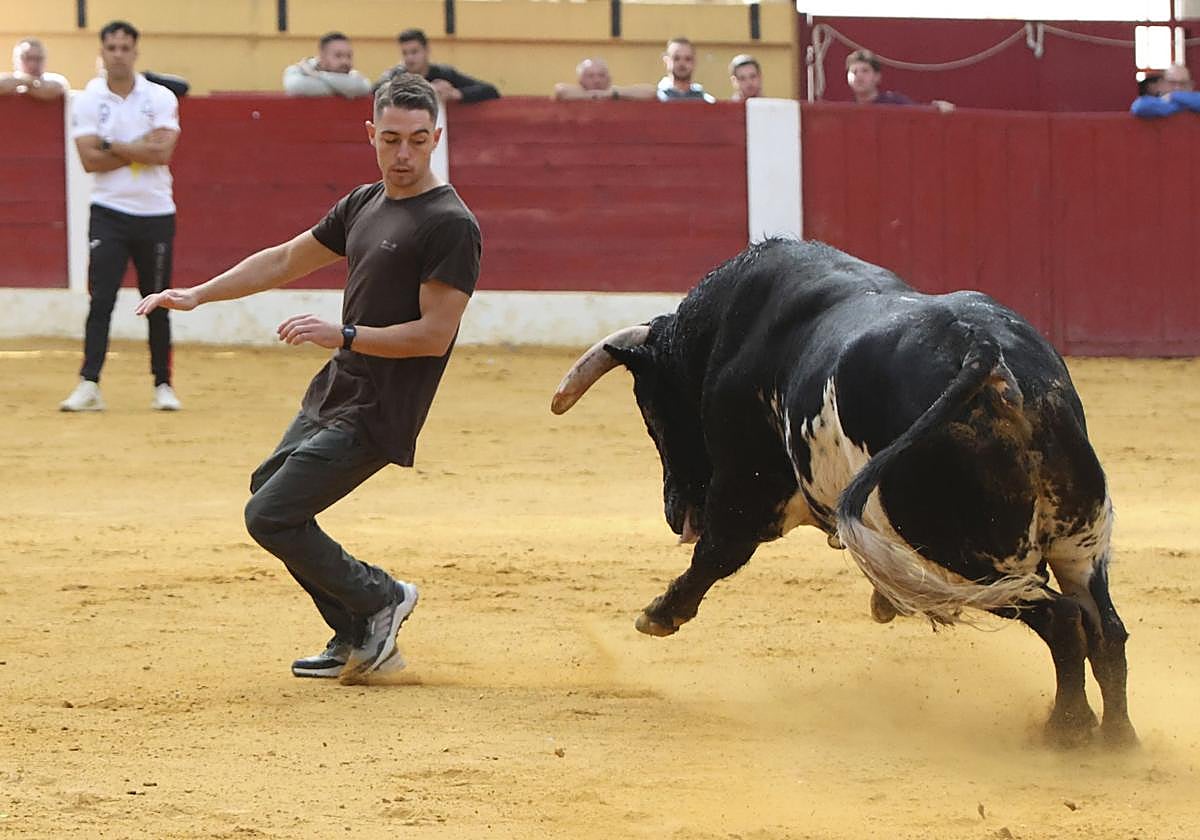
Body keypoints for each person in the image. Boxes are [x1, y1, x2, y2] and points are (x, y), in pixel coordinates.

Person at [134, 72, 481, 685]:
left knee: (269, 514)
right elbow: (287, 259)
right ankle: (356, 635)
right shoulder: (364, 203)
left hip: (381, 407)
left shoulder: (449, 223)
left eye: (418, 141)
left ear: (436, 138)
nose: (404, 155)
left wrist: (343, 335)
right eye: (392, 139)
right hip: (339, 388)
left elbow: (434, 335)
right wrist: (199, 295)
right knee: (269, 487)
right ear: (371, 133)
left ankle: (379, 599)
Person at [60, 21, 182, 413]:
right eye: (111, 47)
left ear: (135, 51)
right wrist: (138, 146)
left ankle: (163, 384)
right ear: (103, 52)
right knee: (101, 302)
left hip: (156, 212)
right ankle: (89, 383)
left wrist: (111, 144)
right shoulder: (89, 100)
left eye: (124, 47)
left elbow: (162, 154)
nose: (118, 54)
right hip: (109, 213)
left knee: (158, 301)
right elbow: (89, 160)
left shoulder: (160, 96)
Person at [390, 28, 499, 104]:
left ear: (426, 51)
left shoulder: (444, 74)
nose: (409, 58)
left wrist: (456, 93)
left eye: (414, 52)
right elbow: (375, 91)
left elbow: (490, 90)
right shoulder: (397, 75)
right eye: (405, 53)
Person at [845, 49, 954, 113]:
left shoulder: (895, 102)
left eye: (865, 71)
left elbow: (919, 114)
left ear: (877, 77)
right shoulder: (846, 109)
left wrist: (937, 107)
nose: (858, 76)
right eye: (854, 72)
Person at [284, 31, 372, 98]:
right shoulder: (298, 70)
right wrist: (343, 88)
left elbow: (363, 87)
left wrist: (316, 75)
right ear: (322, 57)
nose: (345, 61)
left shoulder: (353, 75)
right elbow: (296, 86)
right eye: (338, 56)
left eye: (349, 56)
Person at [552, 57, 656, 101]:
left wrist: (612, 94)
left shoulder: (615, 92)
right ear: (581, 80)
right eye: (590, 76)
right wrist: (594, 95)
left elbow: (651, 91)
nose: (597, 80)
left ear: (609, 79)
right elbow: (561, 90)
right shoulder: (575, 92)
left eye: (601, 75)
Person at [0, 38, 69, 100]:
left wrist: (27, 83)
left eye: (38, 58)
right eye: (27, 58)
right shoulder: (7, 80)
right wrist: (28, 82)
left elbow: (51, 90)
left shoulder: (55, 79)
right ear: (15, 60)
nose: (32, 64)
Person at [657, 37, 716, 103]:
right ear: (666, 61)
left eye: (687, 59)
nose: (682, 63)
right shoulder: (657, 98)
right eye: (676, 58)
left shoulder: (706, 102)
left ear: (694, 62)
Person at [1131, 63, 1200, 119]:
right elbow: (1139, 107)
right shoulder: (1152, 103)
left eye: (1183, 83)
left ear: (1191, 86)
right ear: (1161, 85)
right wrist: (1181, 104)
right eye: (1172, 83)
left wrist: (1172, 96)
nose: (1177, 88)